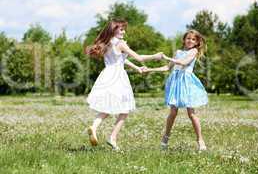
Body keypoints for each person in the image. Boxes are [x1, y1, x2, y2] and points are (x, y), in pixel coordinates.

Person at [85, 19, 163, 150]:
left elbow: (123, 60)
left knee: (108, 107)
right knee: (125, 109)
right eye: (121, 29)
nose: (124, 31)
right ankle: (112, 138)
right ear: (114, 30)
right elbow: (139, 57)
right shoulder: (120, 44)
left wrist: (137, 68)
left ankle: (94, 126)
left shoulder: (107, 43)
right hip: (118, 77)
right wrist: (155, 56)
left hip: (107, 75)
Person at [142, 29, 208, 151]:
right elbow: (167, 67)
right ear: (184, 40)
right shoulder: (178, 52)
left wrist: (165, 56)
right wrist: (150, 69)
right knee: (173, 112)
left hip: (186, 83)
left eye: (193, 39)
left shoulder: (194, 51)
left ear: (197, 42)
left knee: (191, 113)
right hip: (176, 82)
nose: (190, 41)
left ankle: (200, 140)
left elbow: (183, 63)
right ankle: (165, 138)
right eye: (188, 38)